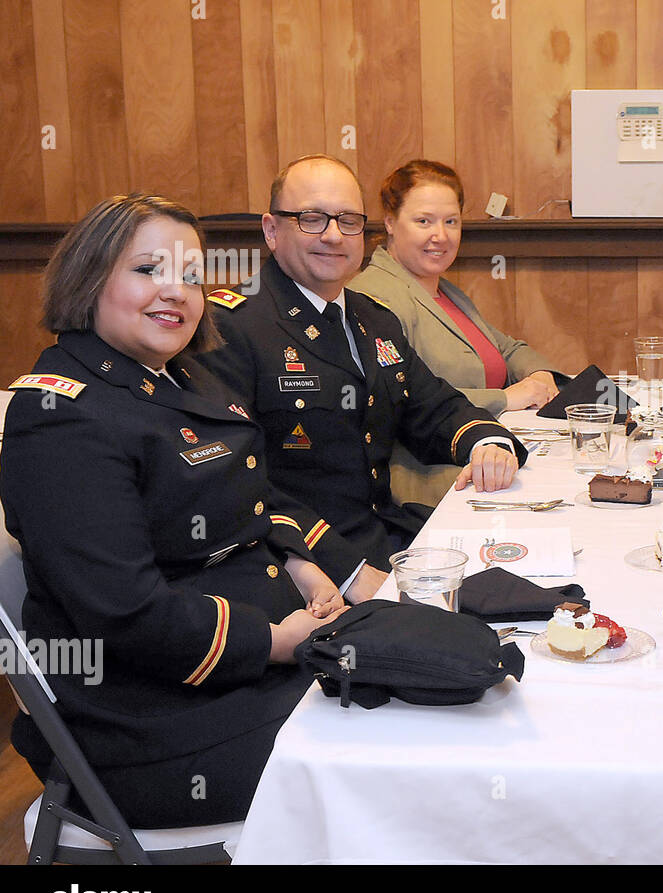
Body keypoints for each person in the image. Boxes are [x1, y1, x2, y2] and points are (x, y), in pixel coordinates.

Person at [2, 194, 347, 827]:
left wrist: (299, 567)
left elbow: (243, 507)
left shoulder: (179, 378)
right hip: (153, 726)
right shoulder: (61, 418)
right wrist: (273, 642)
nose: (176, 292)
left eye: (191, 276)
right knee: (394, 749)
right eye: (147, 270)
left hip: (245, 673)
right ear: (89, 278)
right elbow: (125, 615)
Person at [197, 155, 527, 599]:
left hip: (384, 539)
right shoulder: (228, 326)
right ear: (272, 230)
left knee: (528, 581)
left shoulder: (373, 319)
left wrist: (488, 443)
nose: (334, 235)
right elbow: (237, 480)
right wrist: (349, 573)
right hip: (300, 570)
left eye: (349, 221)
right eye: (312, 219)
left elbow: (431, 405)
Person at [351, 160, 561, 505]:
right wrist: (508, 398)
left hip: (487, 453)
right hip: (428, 477)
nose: (441, 235)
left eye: (451, 222)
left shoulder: (445, 290)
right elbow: (406, 403)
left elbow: (507, 349)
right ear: (390, 222)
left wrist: (538, 376)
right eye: (424, 221)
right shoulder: (375, 297)